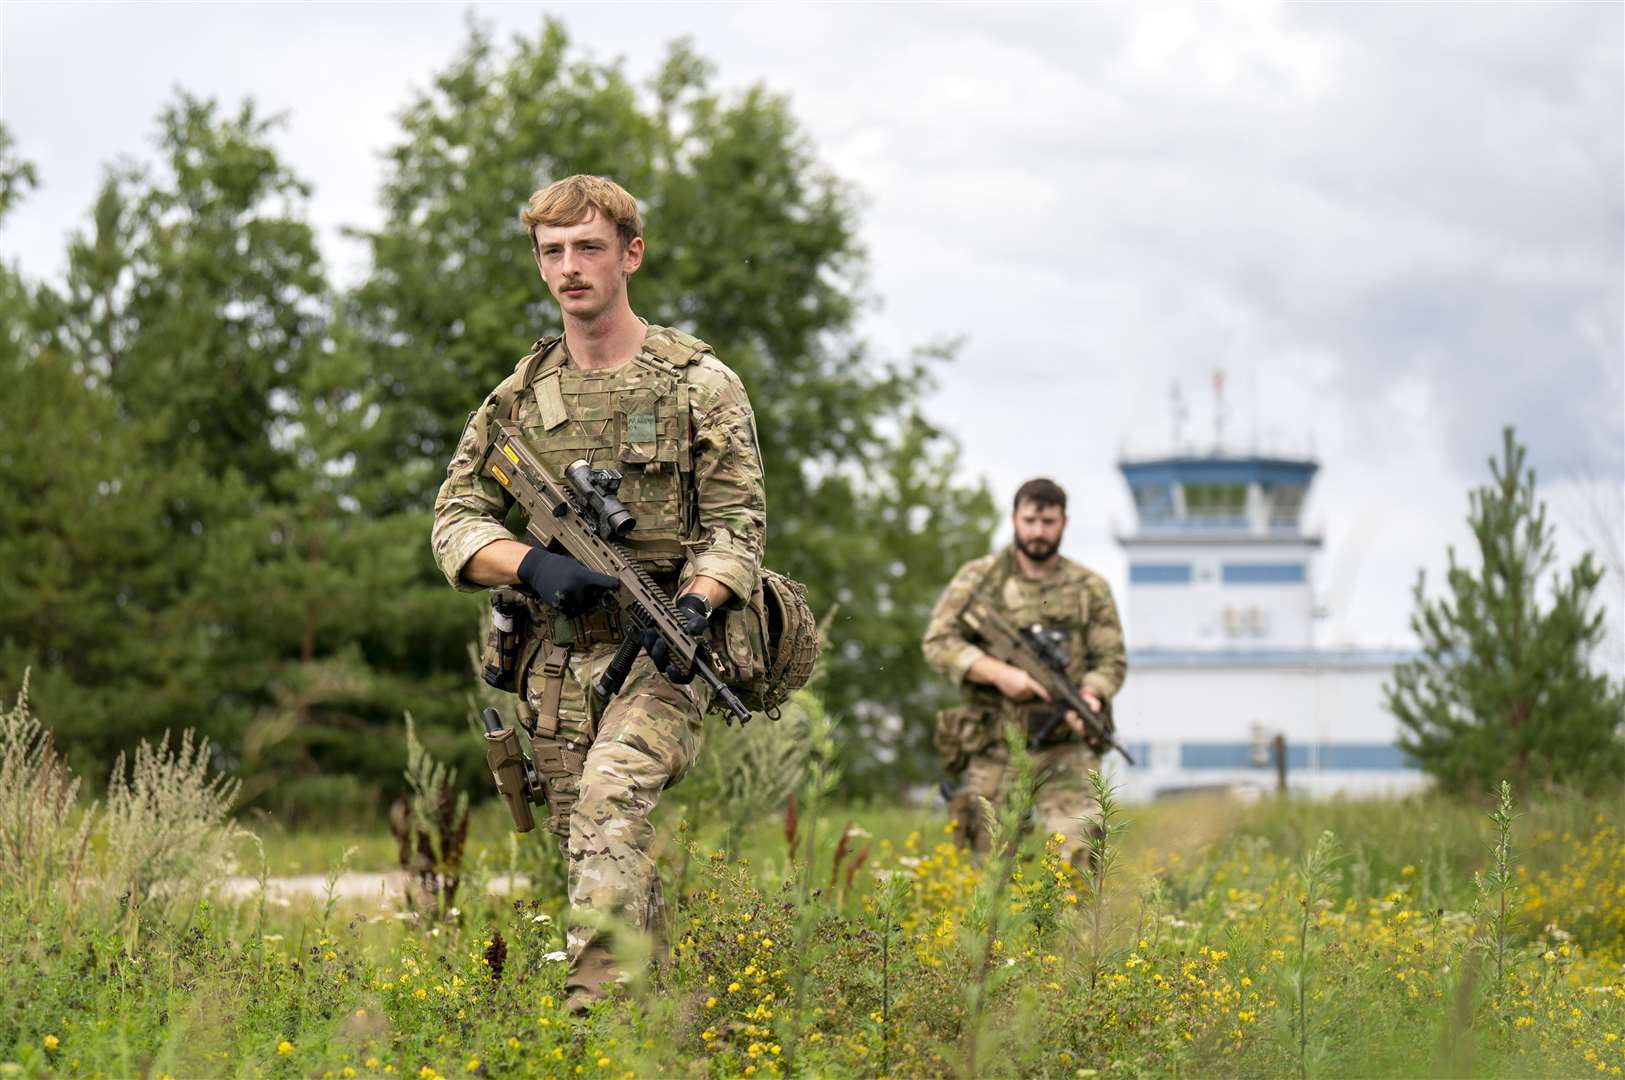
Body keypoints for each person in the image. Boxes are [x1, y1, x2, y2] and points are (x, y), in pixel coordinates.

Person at [430, 175, 765, 1012]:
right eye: (553, 252)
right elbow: (455, 518)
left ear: (630, 254)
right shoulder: (516, 399)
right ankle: (648, 1030)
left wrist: (695, 602)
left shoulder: (698, 385)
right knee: (595, 847)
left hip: (662, 656)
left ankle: (590, 1023)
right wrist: (530, 567)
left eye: (588, 247)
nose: (570, 268)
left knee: (612, 796)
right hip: (553, 664)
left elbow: (738, 525)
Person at [921, 477, 1126, 869]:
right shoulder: (980, 579)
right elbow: (938, 641)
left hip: (1065, 747)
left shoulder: (1089, 588)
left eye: (1048, 521)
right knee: (986, 871)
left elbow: (1110, 659)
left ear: (1063, 522)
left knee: (1082, 855)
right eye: (1030, 520)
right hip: (997, 745)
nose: (1038, 532)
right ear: (1015, 519)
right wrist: (997, 673)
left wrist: (1091, 695)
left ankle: (1076, 933)